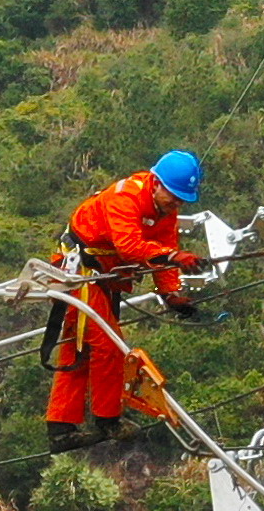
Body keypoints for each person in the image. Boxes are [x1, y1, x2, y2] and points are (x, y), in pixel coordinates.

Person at [46, 149, 208, 442]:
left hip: (102, 278)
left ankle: (60, 429)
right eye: (173, 196)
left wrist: (171, 295)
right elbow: (129, 247)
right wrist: (173, 256)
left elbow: (164, 252)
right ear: (155, 182)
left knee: (80, 348)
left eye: (181, 199)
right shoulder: (126, 197)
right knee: (107, 345)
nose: (176, 204)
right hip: (78, 273)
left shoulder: (166, 213)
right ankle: (107, 421)